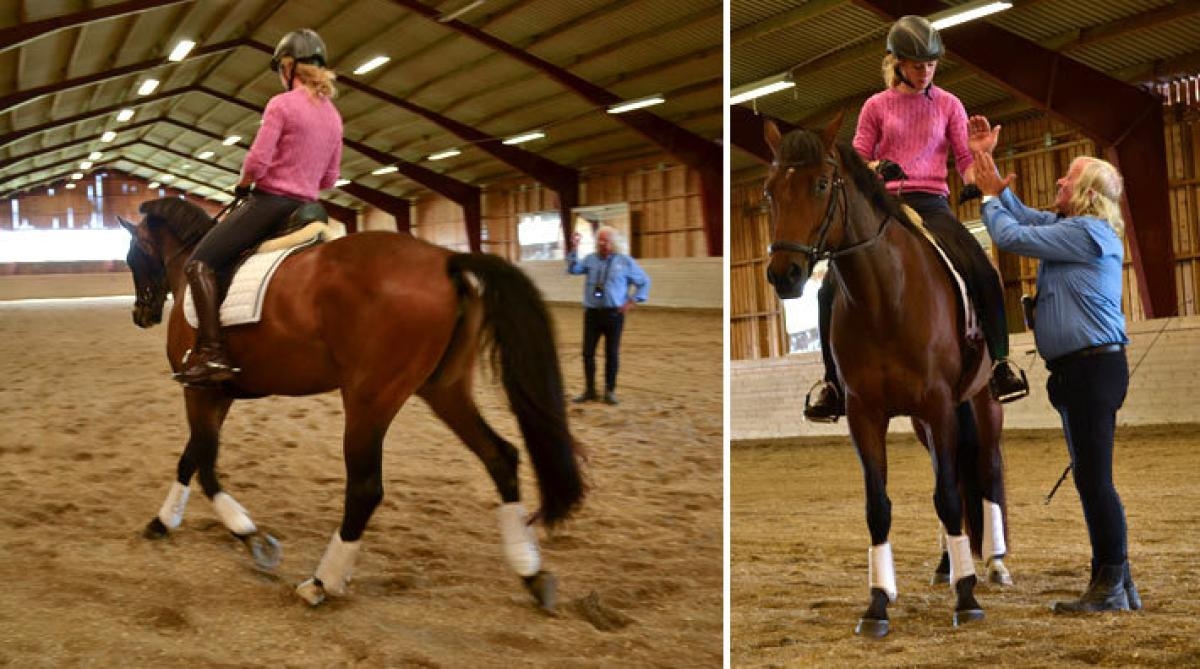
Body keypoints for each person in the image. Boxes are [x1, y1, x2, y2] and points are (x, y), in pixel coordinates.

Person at [804, 14, 1028, 421]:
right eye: (917, 64)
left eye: (931, 64)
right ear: (898, 63)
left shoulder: (949, 105)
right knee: (827, 290)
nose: (925, 71)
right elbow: (857, 160)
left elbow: (963, 163)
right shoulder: (875, 106)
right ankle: (832, 382)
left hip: (931, 204)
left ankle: (999, 363)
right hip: (883, 206)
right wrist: (875, 169)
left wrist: (980, 159)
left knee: (981, 269)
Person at [972, 133, 1138, 613]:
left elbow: (1010, 236)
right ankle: (1117, 583)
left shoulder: (1086, 233)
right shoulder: (1077, 227)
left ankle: (1111, 582)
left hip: (1091, 370)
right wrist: (998, 184)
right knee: (1092, 478)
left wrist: (987, 197)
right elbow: (1024, 217)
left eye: (1068, 176)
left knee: (1095, 480)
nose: (1059, 180)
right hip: (1082, 370)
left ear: (1084, 192)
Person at [177, 28, 343, 385]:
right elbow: (330, 178)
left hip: (271, 203)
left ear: (288, 66)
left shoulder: (281, 105)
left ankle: (211, 352)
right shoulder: (334, 116)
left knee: (199, 263)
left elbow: (257, 160)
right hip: (310, 209)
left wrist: (243, 183)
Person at [565, 225, 650, 405]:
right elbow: (573, 269)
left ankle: (610, 391)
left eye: (606, 240)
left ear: (614, 242)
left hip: (614, 315)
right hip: (592, 314)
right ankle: (589, 390)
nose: (602, 244)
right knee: (587, 353)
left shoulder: (625, 262)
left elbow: (644, 282)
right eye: (600, 240)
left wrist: (632, 301)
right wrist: (573, 248)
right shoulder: (590, 260)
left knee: (611, 354)